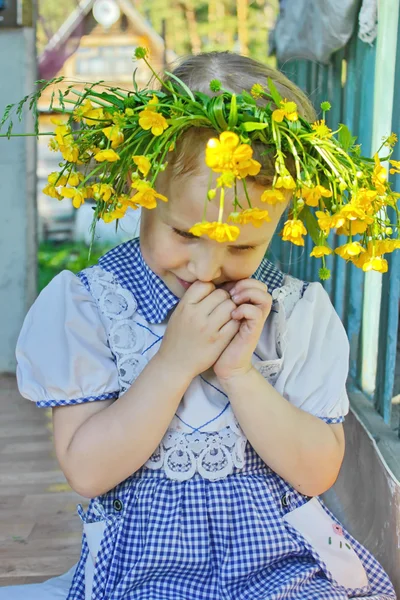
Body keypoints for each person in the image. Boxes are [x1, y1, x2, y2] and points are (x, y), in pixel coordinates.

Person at [1, 51, 397, 599]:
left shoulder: (294, 313)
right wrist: (173, 365)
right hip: (147, 568)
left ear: (282, 216)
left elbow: (316, 474)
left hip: (278, 563)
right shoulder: (91, 306)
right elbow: (88, 471)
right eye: (185, 234)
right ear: (141, 193)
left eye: (241, 244)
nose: (206, 269)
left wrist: (240, 375)